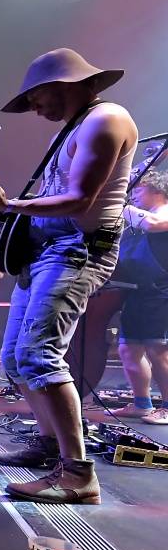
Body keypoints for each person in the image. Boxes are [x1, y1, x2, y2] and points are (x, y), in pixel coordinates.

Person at [0, 48, 137, 504]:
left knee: (40, 354)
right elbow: (52, 197)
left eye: (36, 98)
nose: (35, 109)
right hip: (48, 251)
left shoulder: (107, 119)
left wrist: (9, 206)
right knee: (15, 358)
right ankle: (49, 447)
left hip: (77, 252)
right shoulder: (72, 129)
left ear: (63, 83)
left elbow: (80, 200)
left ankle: (79, 474)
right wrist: (7, 221)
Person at [113, 170, 168, 424]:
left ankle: (167, 407)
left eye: (139, 189)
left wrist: (119, 205)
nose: (134, 193)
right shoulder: (138, 219)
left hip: (161, 292)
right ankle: (141, 404)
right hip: (137, 290)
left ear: (157, 191)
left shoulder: (163, 213)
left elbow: (153, 224)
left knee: (159, 350)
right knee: (128, 348)